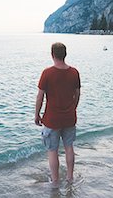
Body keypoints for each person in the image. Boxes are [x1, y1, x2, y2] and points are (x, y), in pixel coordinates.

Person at [35, 42, 81, 187]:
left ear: (52, 54)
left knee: (52, 150)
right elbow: (77, 94)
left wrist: (37, 114)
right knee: (69, 147)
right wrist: (73, 107)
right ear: (65, 54)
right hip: (69, 118)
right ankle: (70, 177)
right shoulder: (74, 72)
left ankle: (55, 181)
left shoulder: (47, 73)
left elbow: (40, 97)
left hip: (52, 119)